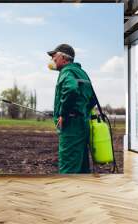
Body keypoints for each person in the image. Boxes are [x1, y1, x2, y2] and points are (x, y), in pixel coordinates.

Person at [47, 44, 96, 174]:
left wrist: (64, 114)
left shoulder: (67, 71)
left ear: (64, 58)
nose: (52, 59)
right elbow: (92, 99)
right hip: (82, 125)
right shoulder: (81, 72)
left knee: (68, 167)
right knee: (81, 167)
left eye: (54, 56)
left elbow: (71, 89)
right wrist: (82, 113)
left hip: (71, 127)